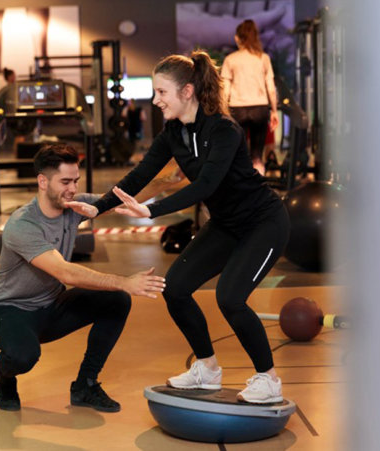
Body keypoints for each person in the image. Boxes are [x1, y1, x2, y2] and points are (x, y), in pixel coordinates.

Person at [67, 52, 290, 404]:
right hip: (226, 225)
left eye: (161, 93)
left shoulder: (224, 130)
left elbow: (205, 187)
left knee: (230, 299)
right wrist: (97, 208)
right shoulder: (173, 132)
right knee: (177, 289)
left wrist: (150, 211)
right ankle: (208, 369)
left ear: (187, 91)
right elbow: (138, 177)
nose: (155, 101)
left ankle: (269, 379)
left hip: (263, 223)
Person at [0, 143, 166, 412]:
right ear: (42, 181)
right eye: (65, 181)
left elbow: (121, 198)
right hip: (10, 311)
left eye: (76, 181)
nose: (72, 188)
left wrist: (169, 182)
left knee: (116, 301)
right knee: (24, 355)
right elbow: (65, 272)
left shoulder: (73, 206)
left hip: (51, 307)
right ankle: (4, 378)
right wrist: (125, 281)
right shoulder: (23, 224)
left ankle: (86, 385)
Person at [221, 19, 279, 175]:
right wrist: (274, 111)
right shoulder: (263, 58)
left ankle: (241, 190)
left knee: (238, 155)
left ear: (237, 38)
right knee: (257, 156)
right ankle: (257, 190)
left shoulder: (230, 59)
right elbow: (271, 88)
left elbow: (225, 90)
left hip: (237, 109)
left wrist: (223, 111)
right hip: (259, 108)